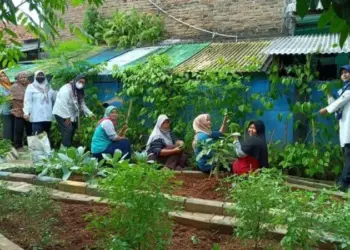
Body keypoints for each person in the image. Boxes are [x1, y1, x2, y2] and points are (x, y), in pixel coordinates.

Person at [320, 65, 350, 191]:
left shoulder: (348, 90)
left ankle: (343, 182)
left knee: (349, 155)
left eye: (347, 72)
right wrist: (328, 94)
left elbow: (340, 101)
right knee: (347, 154)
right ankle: (344, 181)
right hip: (345, 127)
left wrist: (327, 109)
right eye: (342, 73)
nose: (344, 74)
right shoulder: (343, 90)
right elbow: (336, 104)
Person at [53, 74, 94, 147]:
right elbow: (63, 103)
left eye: (83, 83)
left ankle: (67, 147)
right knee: (68, 129)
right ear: (75, 80)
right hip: (61, 112)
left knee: (72, 129)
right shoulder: (66, 89)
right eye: (80, 81)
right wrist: (67, 117)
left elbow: (82, 104)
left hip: (70, 114)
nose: (81, 84)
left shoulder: (79, 91)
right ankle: (65, 149)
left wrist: (90, 114)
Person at [23, 70, 55, 136]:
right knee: (37, 134)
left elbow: (54, 98)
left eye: (42, 75)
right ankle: (37, 147)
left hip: (47, 115)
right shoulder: (31, 87)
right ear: (35, 77)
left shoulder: (49, 87)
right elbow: (27, 101)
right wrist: (26, 112)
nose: (40, 77)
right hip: (36, 116)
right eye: (38, 75)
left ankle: (46, 147)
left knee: (46, 134)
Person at [9, 72, 32, 150]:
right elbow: (11, 99)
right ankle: (18, 145)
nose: (23, 79)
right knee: (19, 129)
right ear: (18, 78)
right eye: (22, 77)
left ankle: (31, 145)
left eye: (25, 77)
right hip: (18, 111)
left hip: (29, 111)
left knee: (30, 129)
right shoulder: (14, 87)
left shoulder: (31, 86)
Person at [0, 70, 14, 142]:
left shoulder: (9, 86)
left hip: (13, 110)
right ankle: (8, 145)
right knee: (7, 128)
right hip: (5, 111)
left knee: (12, 127)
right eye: (1, 76)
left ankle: (12, 144)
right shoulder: (0, 87)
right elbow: (6, 98)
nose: (3, 78)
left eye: (4, 76)